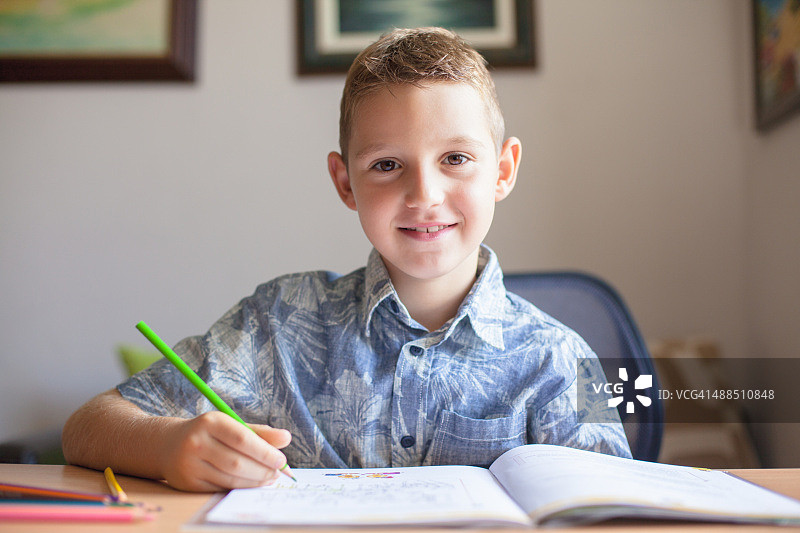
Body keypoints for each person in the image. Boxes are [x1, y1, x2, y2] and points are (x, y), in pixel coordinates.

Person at [62, 27, 630, 492]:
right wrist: (167, 449)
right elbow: (88, 427)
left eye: (455, 158)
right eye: (387, 165)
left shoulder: (556, 360)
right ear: (345, 181)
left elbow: (616, 508)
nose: (425, 194)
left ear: (502, 170)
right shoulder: (279, 323)